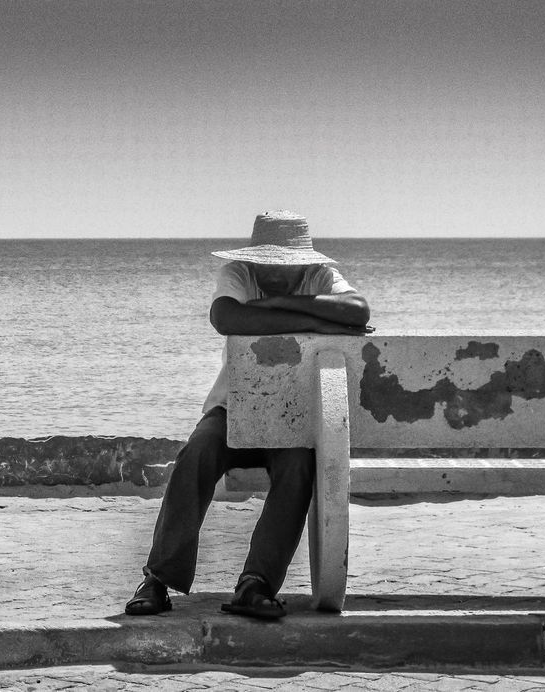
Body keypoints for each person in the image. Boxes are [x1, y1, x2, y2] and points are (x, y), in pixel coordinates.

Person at [125, 210, 372, 620]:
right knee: (196, 454)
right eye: (266, 264)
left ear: (300, 261)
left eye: (282, 265)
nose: (272, 274)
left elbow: (359, 310)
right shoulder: (238, 275)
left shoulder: (321, 277)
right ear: (253, 257)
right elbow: (227, 318)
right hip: (232, 407)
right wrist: (312, 318)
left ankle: (255, 585)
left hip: (294, 418)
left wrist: (278, 305)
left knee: (298, 466)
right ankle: (157, 580)